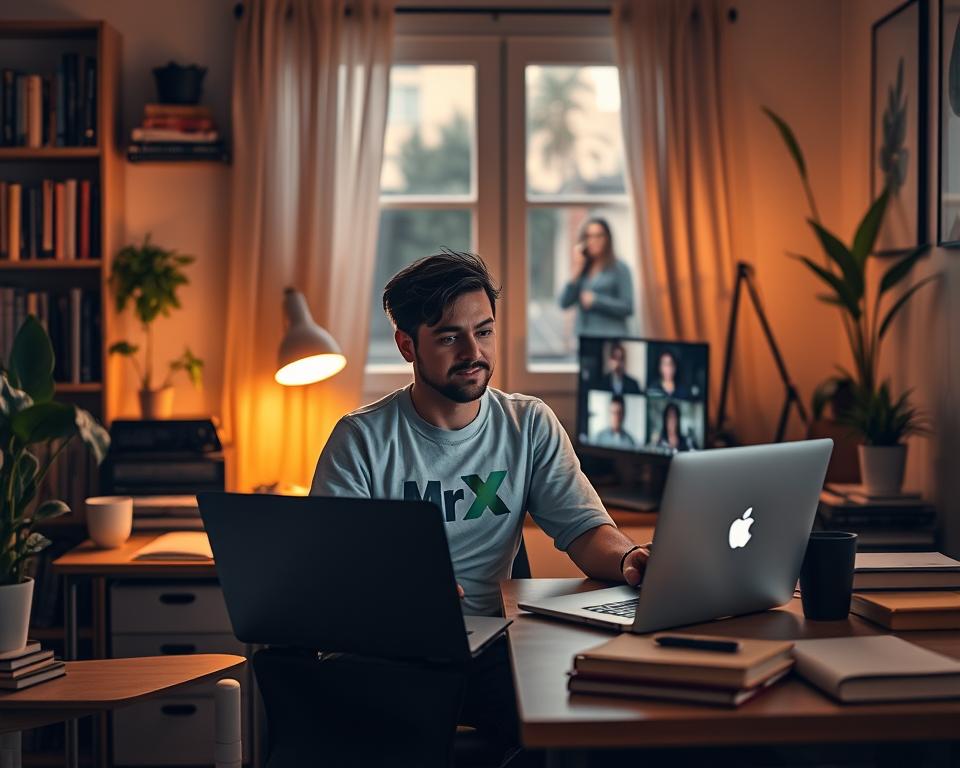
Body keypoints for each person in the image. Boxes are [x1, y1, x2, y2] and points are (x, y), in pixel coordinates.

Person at [312, 250, 650, 764]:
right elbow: (330, 576)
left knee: (595, 728)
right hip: (389, 652)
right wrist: (403, 595)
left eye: (484, 331)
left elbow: (584, 529)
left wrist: (628, 559)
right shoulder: (360, 440)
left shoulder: (528, 424)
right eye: (449, 337)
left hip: (499, 648)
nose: (473, 351)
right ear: (408, 345)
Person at [558, 217, 634, 338]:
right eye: (589, 236)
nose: (593, 241)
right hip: (585, 337)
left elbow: (628, 307)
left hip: (611, 339)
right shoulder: (582, 269)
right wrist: (576, 270)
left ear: (607, 239)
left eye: (598, 236)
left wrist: (596, 301)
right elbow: (564, 303)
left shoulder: (620, 268)